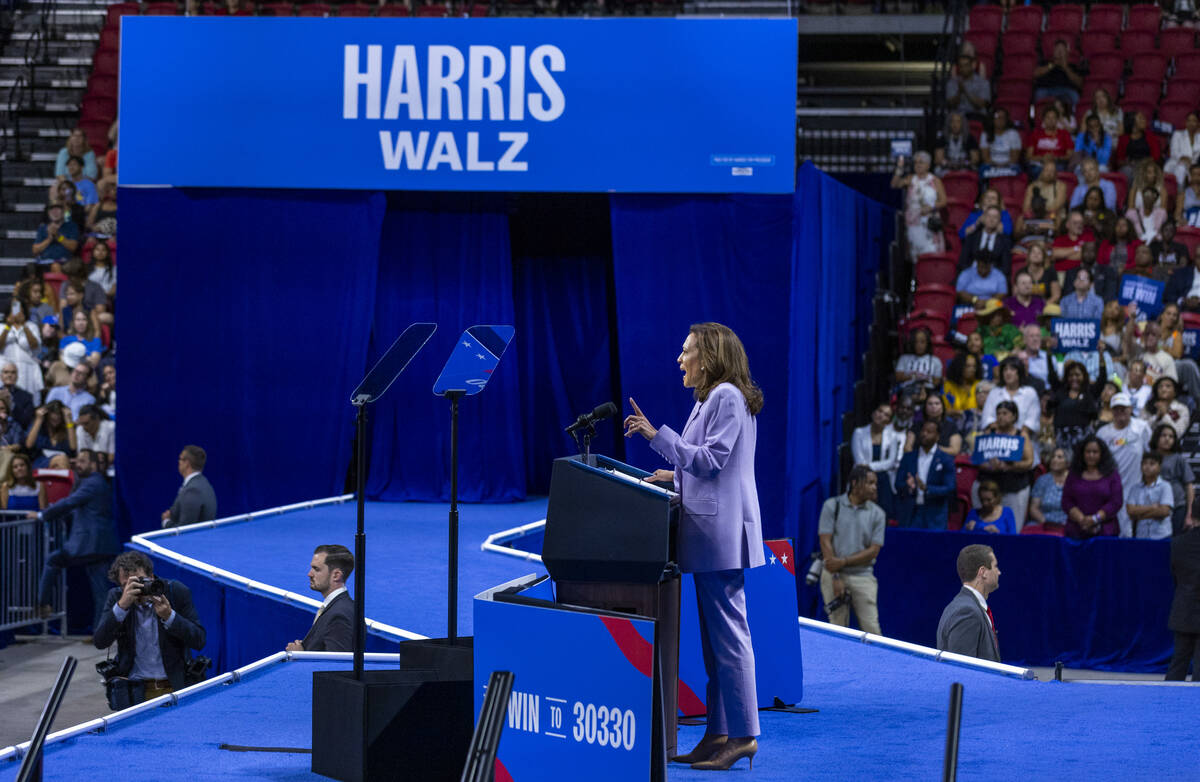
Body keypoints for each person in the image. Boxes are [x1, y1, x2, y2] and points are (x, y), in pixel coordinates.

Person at [623, 322, 762, 770]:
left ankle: (744, 735)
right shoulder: (713, 398)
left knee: (730, 640)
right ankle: (718, 732)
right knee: (715, 645)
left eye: (687, 352)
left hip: (720, 537)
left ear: (711, 356)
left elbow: (712, 460)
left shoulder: (725, 396)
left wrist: (654, 436)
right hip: (710, 534)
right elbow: (707, 467)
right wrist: (673, 476)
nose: (680, 359)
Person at [93, 551, 206, 708]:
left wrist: (169, 616)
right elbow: (100, 641)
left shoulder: (175, 592)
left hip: (173, 687)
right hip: (135, 691)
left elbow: (199, 640)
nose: (136, 589)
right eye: (127, 585)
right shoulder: (117, 597)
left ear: (151, 577)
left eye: (140, 581)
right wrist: (121, 607)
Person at [30, 449, 117, 627]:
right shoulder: (92, 482)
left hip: (88, 544)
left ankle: (42, 603)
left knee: (52, 560)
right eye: (77, 461)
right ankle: (100, 633)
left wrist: (41, 516)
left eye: (83, 461)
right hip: (100, 545)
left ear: (93, 465)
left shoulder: (93, 483)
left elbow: (70, 502)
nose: (78, 464)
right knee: (101, 592)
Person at [817, 464, 885, 635]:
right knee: (838, 630)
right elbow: (825, 541)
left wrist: (844, 562)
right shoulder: (832, 506)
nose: (874, 487)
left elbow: (873, 551)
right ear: (854, 483)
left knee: (873, 631)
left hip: (863, 577)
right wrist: (836, 575)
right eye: (870, 483)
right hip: (832, 577)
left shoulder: (878, 514)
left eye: (875, 483)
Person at [1097, 392, 1153, 536]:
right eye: (1116, 408)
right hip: (1110, 487)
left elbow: (1150, 454)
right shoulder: (1103, 433)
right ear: (1111, 410)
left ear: (1130, 409)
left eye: (1123, 408)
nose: (1120, 412)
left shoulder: (1141, 427)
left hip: (1136, 485)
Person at [936, 544, 1002, 663]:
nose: (999, 572)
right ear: (983, 572)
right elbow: (963, 672)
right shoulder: (967, 612)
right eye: (995, 566)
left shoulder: (964, 606)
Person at [974, 401, 1034, 530]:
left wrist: (1010, 467)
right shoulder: (990, 432)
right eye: (998, 413)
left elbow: (1029, 462)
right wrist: (990, 466)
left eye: (1005, 413)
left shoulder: (1021, 435)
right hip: (988, 484)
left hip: (1014, 486)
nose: (1001, 416)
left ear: (1014, 416)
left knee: (1012, 526)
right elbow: (977, 459)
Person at [286, 544, 355, 653]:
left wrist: (300, 656)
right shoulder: (338, 607)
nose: (309, 574)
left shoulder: (339, 615)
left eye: (316, 569)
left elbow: (336, 667)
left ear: (336, 575)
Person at [895, 420, 956, 529]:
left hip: (935, 515)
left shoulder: (946, 459)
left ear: (937, 436)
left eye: (929, 432)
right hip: (911, 513)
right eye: (923, 430)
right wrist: (908, 486)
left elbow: (950, 488)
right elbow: (898, 483)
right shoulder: (908, 457)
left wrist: (927, 488)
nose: (924, 434)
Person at [1062, 435, 1124, 539]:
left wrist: (1095, 519)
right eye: (1088, 452)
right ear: (1082, 453)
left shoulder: (1112, 474)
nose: (1091, 455)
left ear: (1102, 454)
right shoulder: (1073, 474)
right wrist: (1081, 519)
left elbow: (1116, 502)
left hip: (1105, 532)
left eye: (1095, 452)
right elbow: (1066, 501)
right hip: (1076, 530)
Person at [851, 402, 904, 518]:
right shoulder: (859, 432)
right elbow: (859, 460)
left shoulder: (893, 436)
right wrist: (868, 469)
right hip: (862, 477)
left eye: (886, 414)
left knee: (883, 515)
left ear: (889, 420)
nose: (881, 415)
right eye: (880, 411)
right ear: (874, 413)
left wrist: (869, 466)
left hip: (883, 479)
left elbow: (890, 463)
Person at [893, 151, 947, 261]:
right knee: (916, 256)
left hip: (929, 223)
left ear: (928, 165)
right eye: (916, 162)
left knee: (930, 254)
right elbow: (894, 184)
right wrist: (899, 168)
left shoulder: (935, 180)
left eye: (921, 162)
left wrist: (931, 207)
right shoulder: (911, 179)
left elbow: (943, 201)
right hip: (913, 223)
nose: (918, 165)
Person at [1166, 524, 1200, 682]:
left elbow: (1176, 578)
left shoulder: (1178, 543)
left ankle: (1165, 705)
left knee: (1178, 665)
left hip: (1184, 610)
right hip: (1186, 609)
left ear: (1192, 516)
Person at [1046, 360, 1102, 454]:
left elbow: (1102, 380)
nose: (1074, 378)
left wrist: (1101, 356)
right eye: (1071, 375)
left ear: (1084, 376)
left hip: (1083, 440)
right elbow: (1052, 376)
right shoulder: (1061, 392)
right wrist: (1049, 354)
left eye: (1077, 375)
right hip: (1062, 439)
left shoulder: (1089, 393)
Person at [1151, 424, 1196, 536]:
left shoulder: (1178, 459)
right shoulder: (1149, 458)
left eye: (1171, 436)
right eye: (1164, 435)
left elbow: (1189, 486)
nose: (1167, 439)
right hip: (1153, 506)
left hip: (1177, 507)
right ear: (1156, 437)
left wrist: (1189, 514)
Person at [161, 445, 217, 528]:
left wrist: (166, 521)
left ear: (187, 463)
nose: (178, 462)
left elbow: (185, 530)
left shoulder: (192, 490)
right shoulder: (204, 483)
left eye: (180, 459)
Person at [980, 357, 1040, 434]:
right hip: (998, 436)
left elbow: (1032, 421)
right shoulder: (994, 392)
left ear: (1019, 372)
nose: (1008, 373)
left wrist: (1015, 435)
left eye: (1012, 369)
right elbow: (987, 419)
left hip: (1023, 439)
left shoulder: (1030, 393)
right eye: (1005, 369)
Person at [1126, 452, 1175, 540]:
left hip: (1162, 535)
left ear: (1159, 467)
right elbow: (1130, 511)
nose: (1147, 467)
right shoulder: (1135, 488)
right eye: (1144, 463)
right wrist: (1153, 507)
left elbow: (1164, 512)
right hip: (1141, 535)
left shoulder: (1165, 486)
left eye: (1152, 463)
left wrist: (1140, 515)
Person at [1027, 447, 1070, 535]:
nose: (1054, 459)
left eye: (1059, 457)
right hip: (1044, 523)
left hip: (1067, 524)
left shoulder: (1074, 481)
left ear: (1068, 462)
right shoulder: (1042, 480)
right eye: (1053, 456)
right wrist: (1047, 524)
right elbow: (1033, 508)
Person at [959, 206, 1013, 274]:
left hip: (994, 278)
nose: (991, 219)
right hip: (971, 275)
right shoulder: (972, 237)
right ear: (983, 218)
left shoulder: (1005, 241)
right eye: (988, 216)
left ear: (999, 221)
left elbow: (1006, 268)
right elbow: (962, 262)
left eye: (995, 217)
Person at [1033, 39, 1083, 107]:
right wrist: (1052, 65)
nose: (1059, 52)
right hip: (1047, 89)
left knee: (1075, 96)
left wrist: (1065, 68)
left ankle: (1073, 117)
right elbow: (1036, 74)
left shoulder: (1072, 66)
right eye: (1057, 50)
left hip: (1065, 90)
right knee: (1039, 94)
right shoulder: (1046, 63)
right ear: (1053, 52)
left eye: (1062, 50)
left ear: (1067, 53)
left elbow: (1079, 82)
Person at [1115, 112, 1163, 182]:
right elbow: (1119, 160)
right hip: (1130, 166)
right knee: (1127, 171)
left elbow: (1157, 157)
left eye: (1144, 118)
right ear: (1133, 121)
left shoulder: (1151, 137)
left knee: (1144, 171)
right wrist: (1128, 163)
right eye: (1141, 118)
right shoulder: (1123, 139)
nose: (1144, 120)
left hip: (1147, 164)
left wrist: (1143, 162)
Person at [894, 327, 942, 393]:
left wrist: (925, 379)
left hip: (928, 391)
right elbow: (898, 377)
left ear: (927, 343)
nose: (919, 345)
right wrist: (914, 377)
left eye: (922, 342)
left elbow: (936, 382)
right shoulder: (904, 358)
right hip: (907, 391)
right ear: (912, 343)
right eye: (916, 342)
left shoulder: (936, 361)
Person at [32, 203, 79, 269]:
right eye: (52, 209)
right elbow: (35, 250)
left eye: (58, 209)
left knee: (56, 266)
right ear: (48, 213)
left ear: (63, 212)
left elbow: (73, 247)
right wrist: (49, 239)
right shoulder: (43, 227)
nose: (55, 211)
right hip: (44, 263)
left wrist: (58, 236)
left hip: (64, 263)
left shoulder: (71, 226)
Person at [945, 48, 990, 117]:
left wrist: (966, 91)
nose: (963, 69)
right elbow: (951, 105)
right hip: (957, 118)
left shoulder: (983, 83)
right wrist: (959, 92)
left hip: (977, 116)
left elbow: (981, 105)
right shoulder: (952, 83)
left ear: (972, 66)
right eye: (961, 66)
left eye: (966, 65)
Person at [1166, 111, 1200, 188]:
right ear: (1186, 123)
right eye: (1189, 120)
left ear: (1198, 123)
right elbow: (1174, 153)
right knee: (1181, 169)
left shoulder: (1199, 137)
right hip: (1176, 163)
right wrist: (1183, 158)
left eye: (1194, 121)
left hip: (1193, 166)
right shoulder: (1177, 134)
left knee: (1194, 171)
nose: (1191, 123)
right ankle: (1180, 192)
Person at [943, 352, 982, 419]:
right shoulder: (949, 385)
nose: (972, 370)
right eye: (968, 366)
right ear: (959, 367)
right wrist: (960, 412)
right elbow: (943, 410)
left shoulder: (980, 385)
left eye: (974, 366)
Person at [0, 362, 34, 430]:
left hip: (17, 435)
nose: (9, 375)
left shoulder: (27, 397)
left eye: (13, 372)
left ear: (17, 376)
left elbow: (26, 422)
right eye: (6, 372)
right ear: (1, 375)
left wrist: (12, 404)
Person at [1176, 162, 1200, 227]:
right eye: (1194, 174)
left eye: (1199, 175)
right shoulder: (1183, 194)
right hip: (1188, 225)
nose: (1197, 177)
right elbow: (1177, 215)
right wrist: (1181, 220)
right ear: (1190, 176)